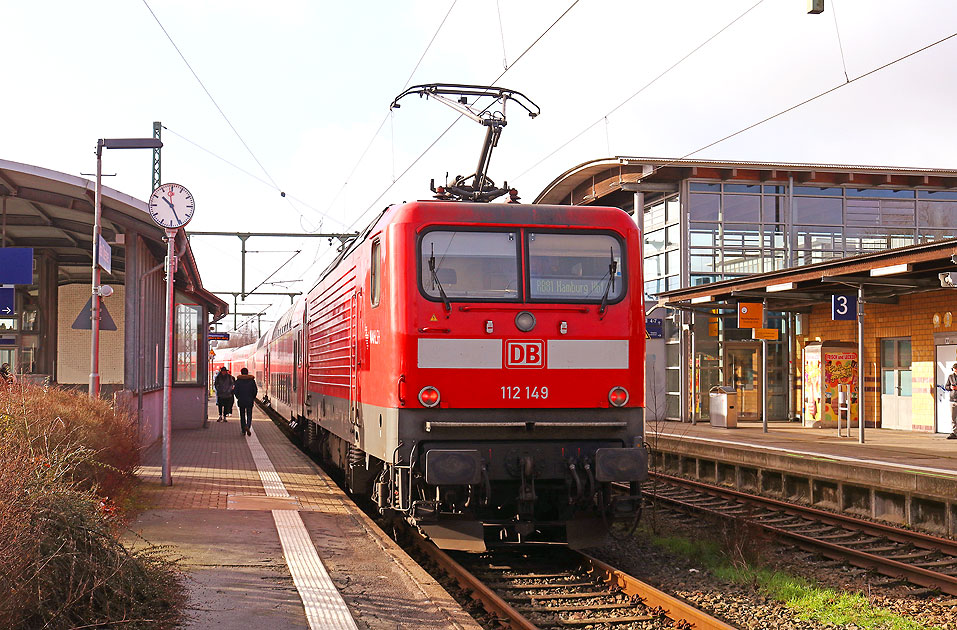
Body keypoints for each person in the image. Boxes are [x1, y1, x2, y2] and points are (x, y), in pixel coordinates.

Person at [233, 367, 258, 437]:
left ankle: (243, 430)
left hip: (241, 400)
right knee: (249, 414)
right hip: (249, 400)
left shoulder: (238, 381)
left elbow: (235, 391)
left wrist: (238, 397)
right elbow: (255, 390)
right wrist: (252, 397)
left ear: (241, 373)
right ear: (247, 373)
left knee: (242, 415)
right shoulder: (252, 381)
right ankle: (248, 426)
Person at [945, 363, 957, 439]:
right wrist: (950, 387)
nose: (955, 370)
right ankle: (955, 432)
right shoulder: (950, 377)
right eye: (954, 369)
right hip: (953, 399)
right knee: (953, 418)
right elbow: (946, 386)